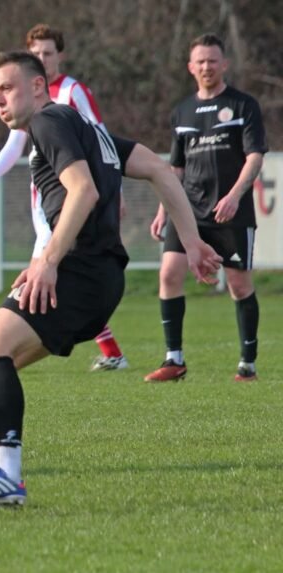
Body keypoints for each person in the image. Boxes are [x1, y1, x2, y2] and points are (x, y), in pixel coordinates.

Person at [0, 51, 221, 509]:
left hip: (78, 269)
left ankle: (5, 478)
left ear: (38, 86)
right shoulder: (87, 128)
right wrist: (191, 242)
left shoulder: (48, 121)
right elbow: (158, 169)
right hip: (100, 275)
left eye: (6, 88)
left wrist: (48, 260)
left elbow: (83, 190)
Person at [0, 23, 128, 374]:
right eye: (36, 53)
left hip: (72, 197)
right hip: (45, 201)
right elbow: (14, 142)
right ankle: (0, 365)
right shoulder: (23, 98)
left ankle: (107, 350)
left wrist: (114, 189)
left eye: (47, 52)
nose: (42, 58)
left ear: (60, 56)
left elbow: (99, 137)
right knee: (45, 288)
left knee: (52, 281)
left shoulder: (71, 92)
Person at [145, 33, 268, 383]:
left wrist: (235, 195)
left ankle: (247, 364)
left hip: (231, 211)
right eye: (200, 61)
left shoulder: (243, 106)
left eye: (212, 60)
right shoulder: (181, 112)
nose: (206, 67)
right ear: (190, 67)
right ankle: (174, 359)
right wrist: (163, 210)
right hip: (188, 211)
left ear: (224, 64)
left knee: (238, 285)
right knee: (169, 274)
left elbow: (255, 157)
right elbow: (176, 169)